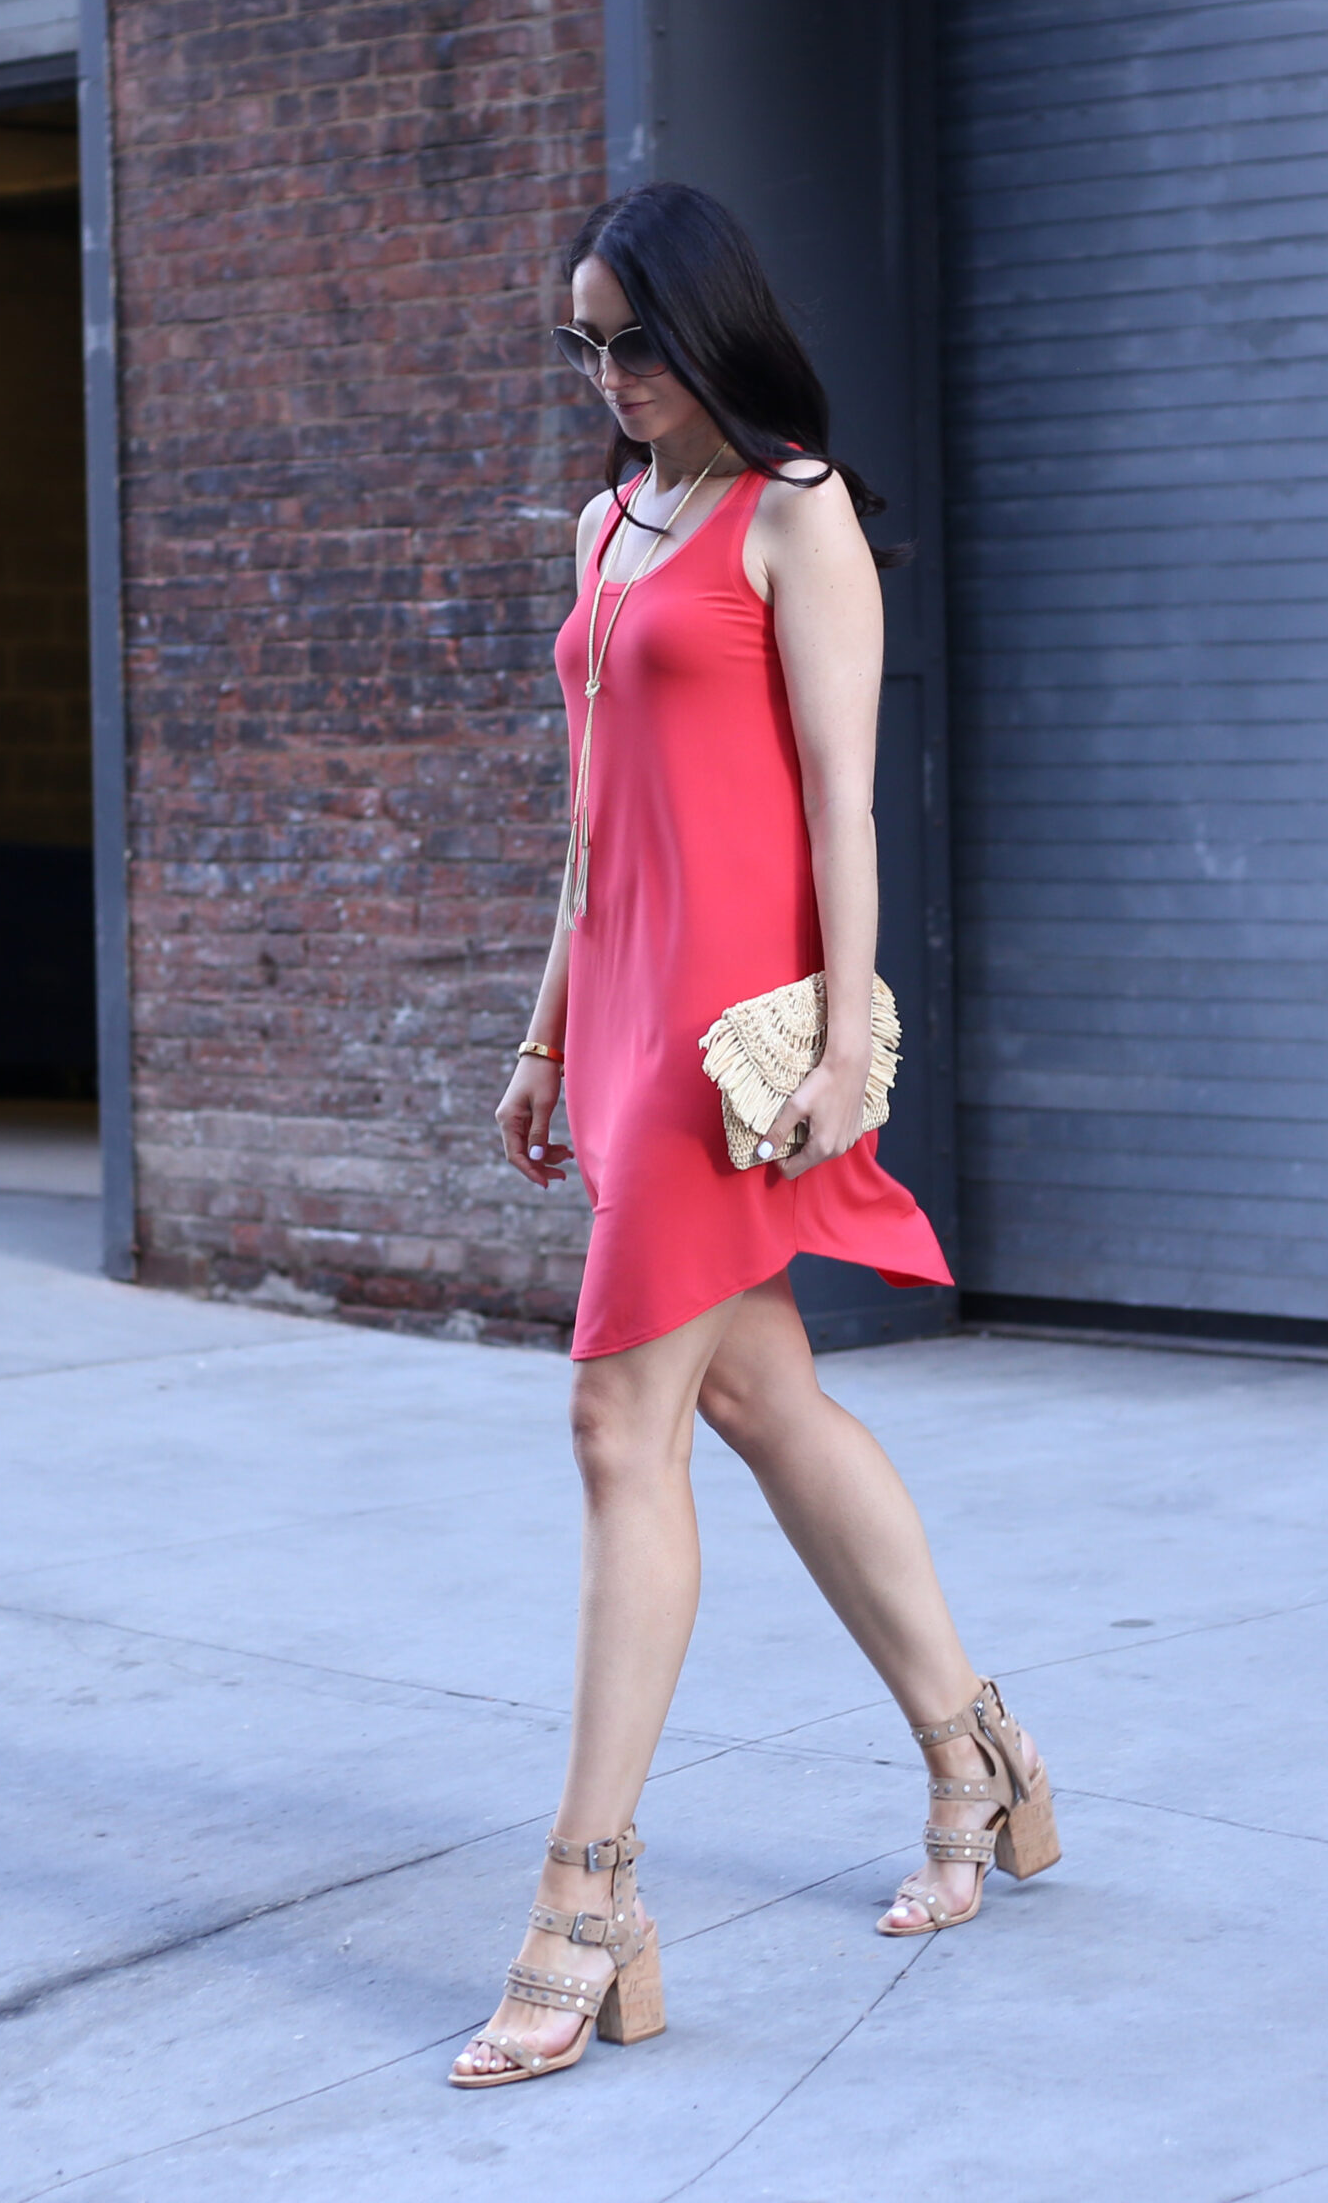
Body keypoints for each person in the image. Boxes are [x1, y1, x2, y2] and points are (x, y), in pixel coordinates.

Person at [450, 183, 1058, 2090]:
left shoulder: (795, 512)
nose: (609, 378)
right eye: (585, 346)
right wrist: (542, 1028)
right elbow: (586, 813)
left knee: (614, 1420)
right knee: (757, 1399)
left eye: (635, 341)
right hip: (620, 1013)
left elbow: (841, 803)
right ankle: (976, 1757)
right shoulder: (601, 523)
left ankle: (587, 1896)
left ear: (710, 331)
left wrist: (848, 1053)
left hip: (729, 1030)